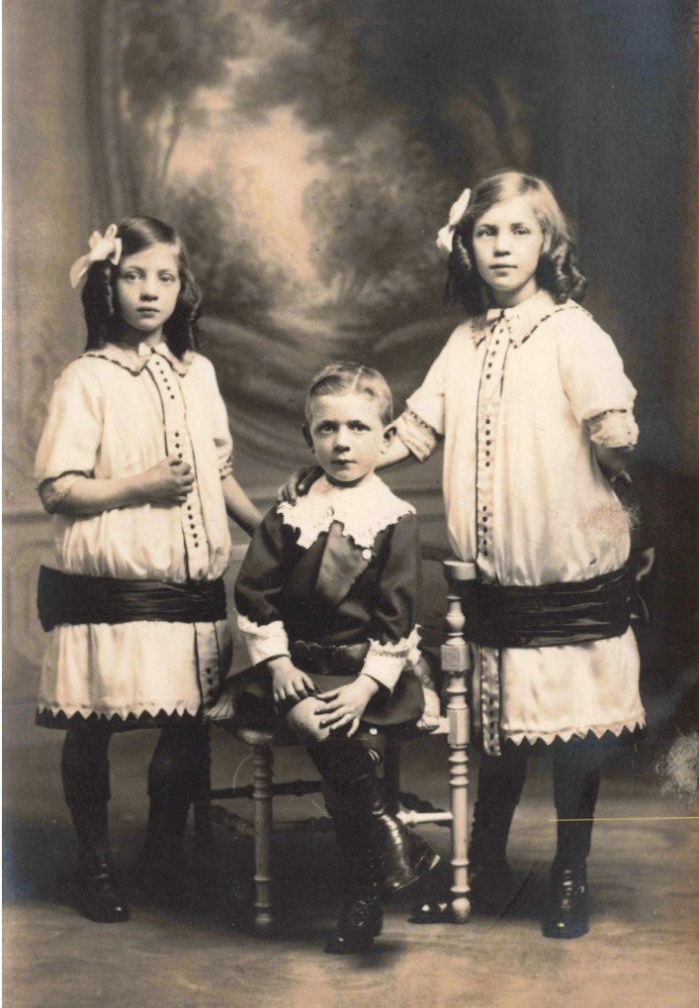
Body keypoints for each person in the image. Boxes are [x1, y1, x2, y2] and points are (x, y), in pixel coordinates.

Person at [286, 171, 652, 939]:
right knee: (501, 734)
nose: (501, 247)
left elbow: (615, 434)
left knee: (572, 739)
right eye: (486, 233)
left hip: (563, 572)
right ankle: (482, 868)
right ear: (465, 245)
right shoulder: (464, 343)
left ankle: (568, 877)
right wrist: (336, 466)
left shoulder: (571, 332)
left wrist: (613, 474)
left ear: (547, 243)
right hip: (489, 582)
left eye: (518, 232)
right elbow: (414, 434)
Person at [35, 217, 261, 924]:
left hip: (188, 587)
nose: (150, 291)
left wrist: (270, 531)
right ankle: (94, 861)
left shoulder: (199, 375)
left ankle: (162, 856)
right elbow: (57, 488)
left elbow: (216, 472)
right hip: (109, 585)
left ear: (181, 288)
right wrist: (139, 486)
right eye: (134, 275)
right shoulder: (87, 379)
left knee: (187, 725)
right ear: (109, 283)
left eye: (164, 277)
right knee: (92, 725)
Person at [232, 363, 443, 954]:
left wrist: (363, 689)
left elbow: (398, 618)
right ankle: (386, 842)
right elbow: (254, 595)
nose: (342, 442)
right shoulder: (289, 513)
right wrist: (278, 669)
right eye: (327, 430)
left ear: (385, 437)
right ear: (309, 438)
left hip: (366, 678)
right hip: (294, 671)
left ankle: (362, 898)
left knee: (344, 746)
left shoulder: (395, 519)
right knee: (336, 743)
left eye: (357, 427)